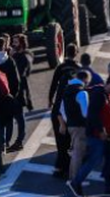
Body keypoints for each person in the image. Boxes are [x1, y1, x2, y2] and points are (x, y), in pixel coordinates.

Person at [48, 44, 82, 179]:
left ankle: (61, 167)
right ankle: (66, 168)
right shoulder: (79, 69)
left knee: (60, 142)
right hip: (70, 112)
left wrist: (50, 99)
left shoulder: (60, 68)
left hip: (57, 111)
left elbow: (53, 84)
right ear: (76, 53)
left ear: (66, 53)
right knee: (69, 143)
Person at [0, 37, 21, 149]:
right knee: (9, 119)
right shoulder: (10, 60)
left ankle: (0, 142)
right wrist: (13, 94)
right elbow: (16, 80)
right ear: (3, 46)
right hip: (8, 95)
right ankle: (7, 141)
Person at [62, 70, 91, 186]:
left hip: (71, 125)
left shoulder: (67, 90)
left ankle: (71, 178)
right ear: (84, 80)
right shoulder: (82, 93)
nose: (87, 84)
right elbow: (85, 113)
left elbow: (62, 110)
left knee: (74, 153)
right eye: (87, 82)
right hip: (80, 126)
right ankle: (76, 180)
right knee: (78, 154)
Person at [9, 34, 33, 152]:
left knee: (19, 117)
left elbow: (20, 73)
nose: (13, 44)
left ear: (22, 43)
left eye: (16, 42)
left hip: (20, 90)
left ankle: (19, 141)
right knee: (16, 116)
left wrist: (12, 57)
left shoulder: (24, 57)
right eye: (13, 42)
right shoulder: (18, 56)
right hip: (15, 88)